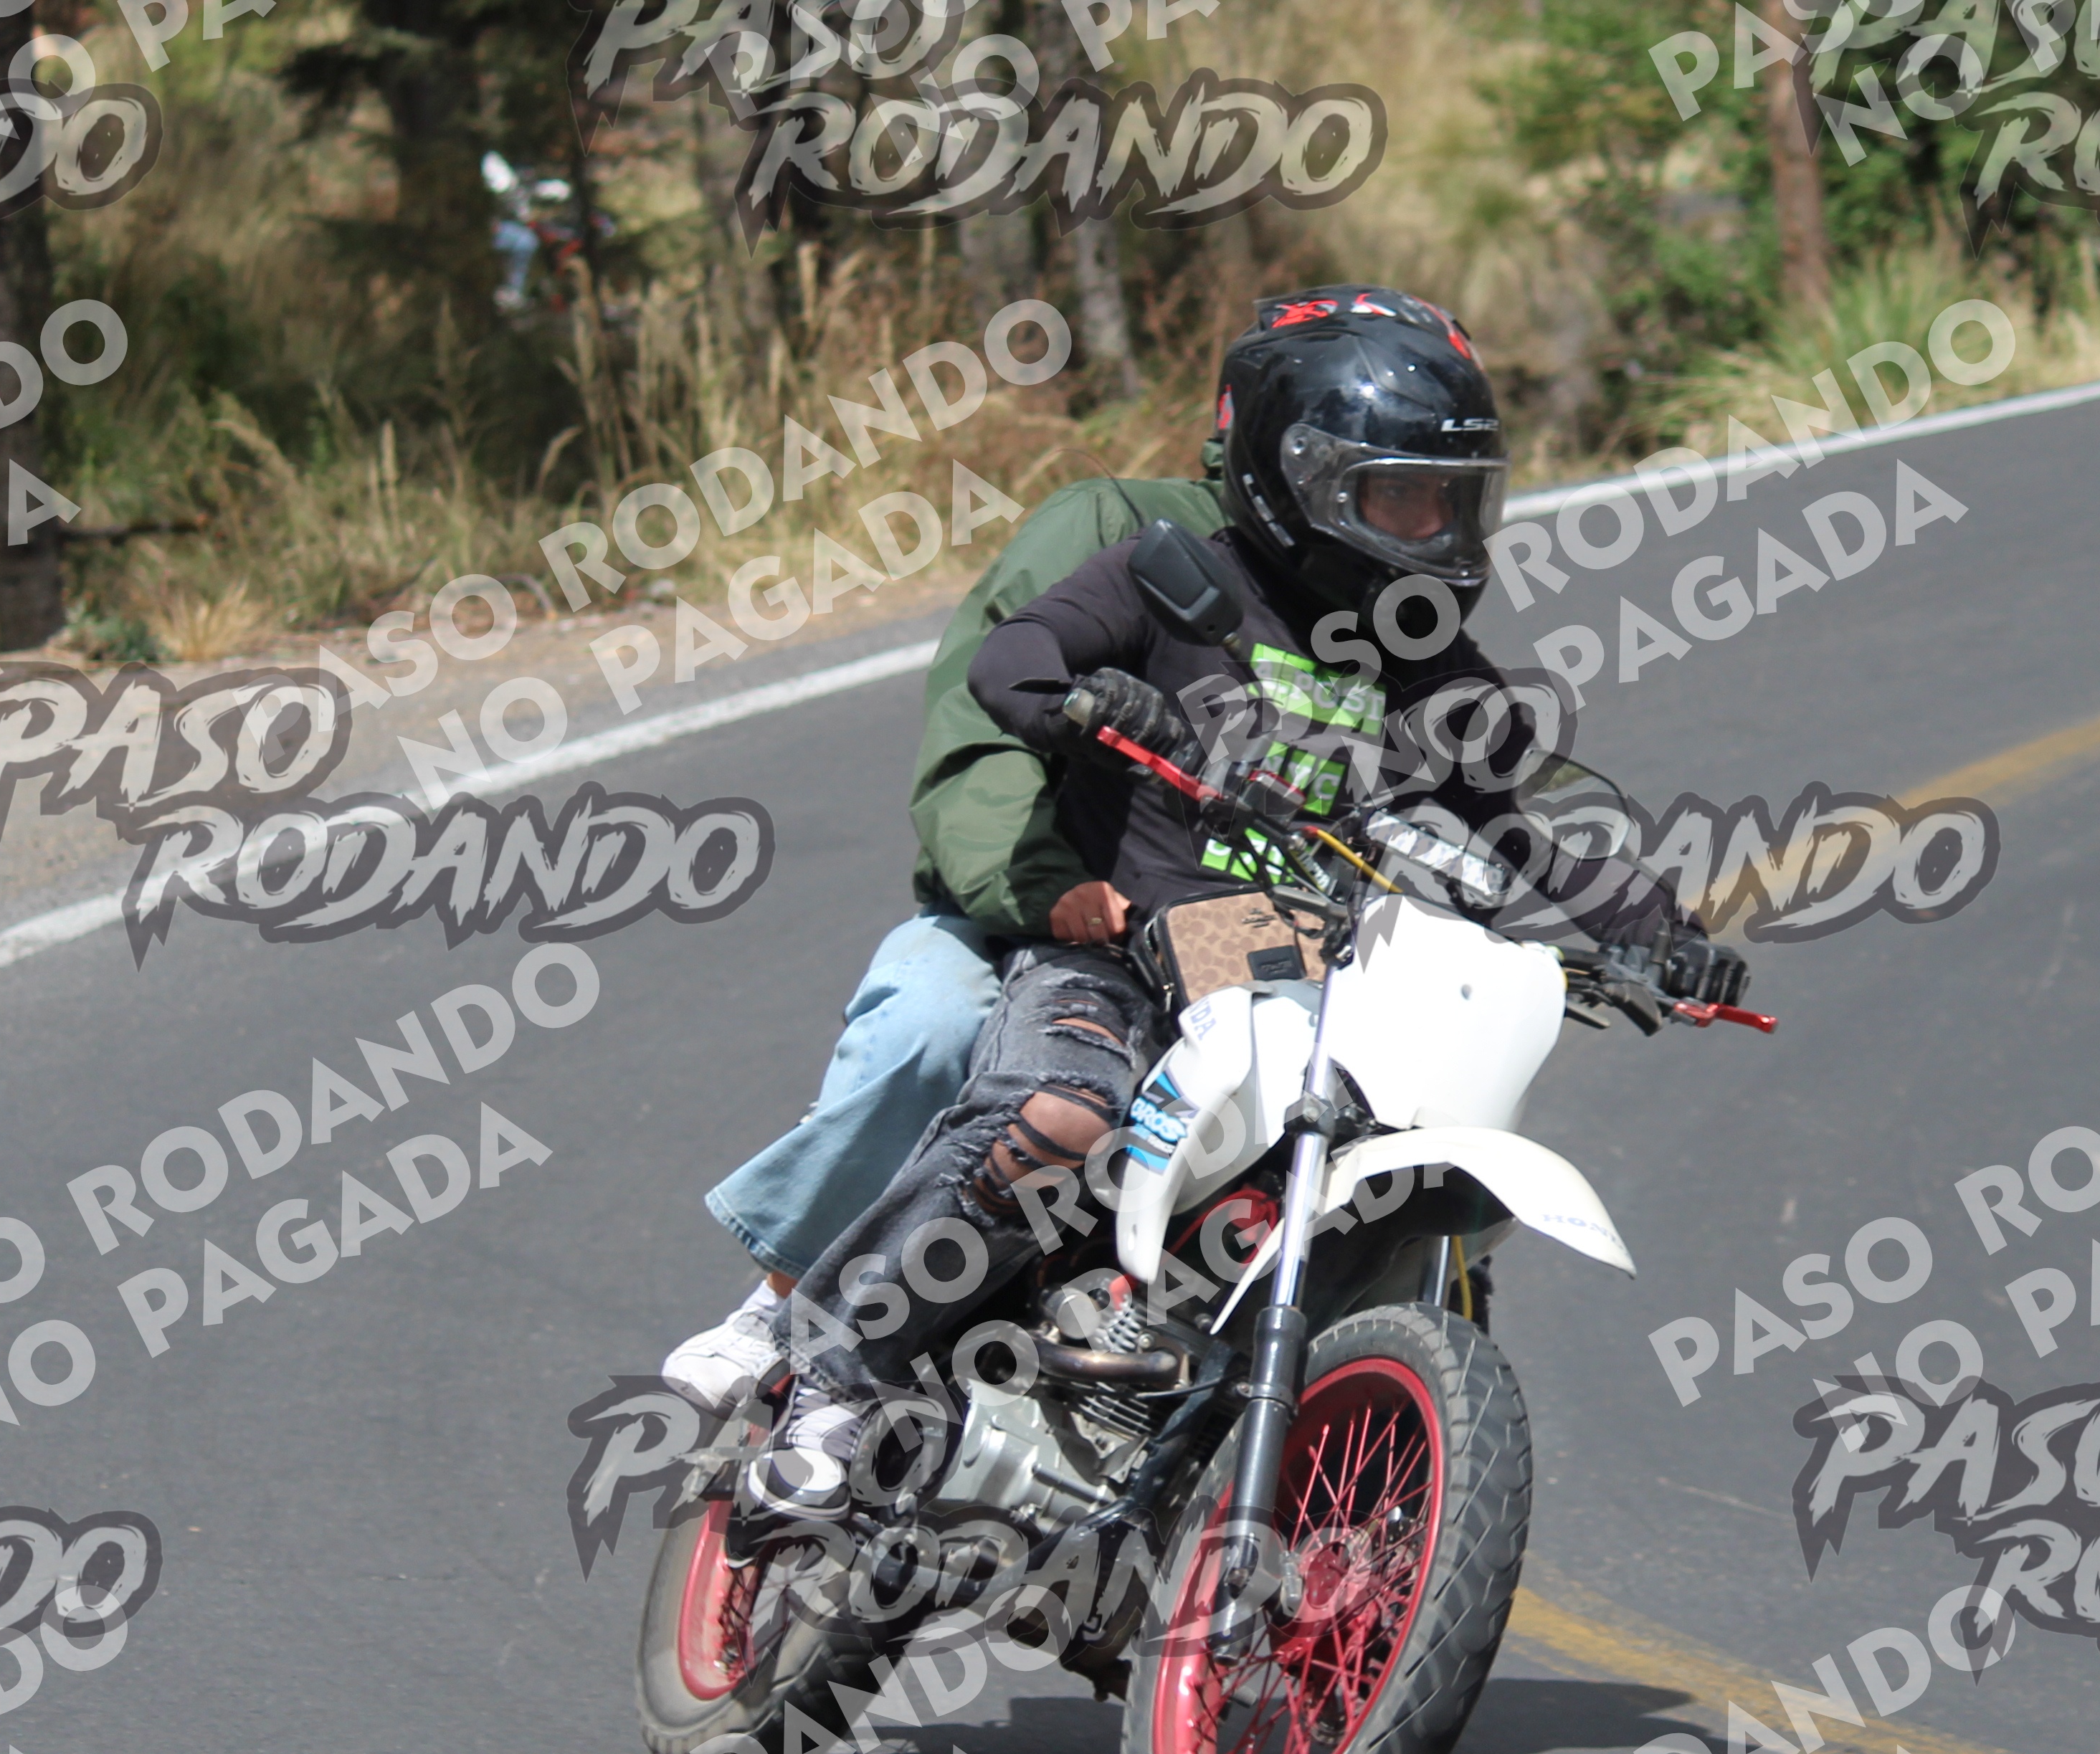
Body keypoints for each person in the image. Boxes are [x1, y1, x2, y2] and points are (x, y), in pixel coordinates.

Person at [747, 286, 1749, 1510]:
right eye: (1403, 497)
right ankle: (836, 1375)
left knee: (1378, 1147)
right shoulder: (1169, 580)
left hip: (1295, 977)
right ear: (1299, 476)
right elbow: (1013, 659)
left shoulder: (1422, 656)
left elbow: (1517, 832)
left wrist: (1660, 936)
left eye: (1455, 499)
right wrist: (1087, 700)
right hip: (1122, 956)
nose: (1436, 528)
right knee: (1057, 1117)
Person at [656, 465, 1222, 1416]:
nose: (1410, 517)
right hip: (1040, 914)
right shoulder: (1121, 523)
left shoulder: (1386, 596)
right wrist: (1042, 884)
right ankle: (786, 1304)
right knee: (932, 1027)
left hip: (1237, 952)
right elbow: (980, 725)